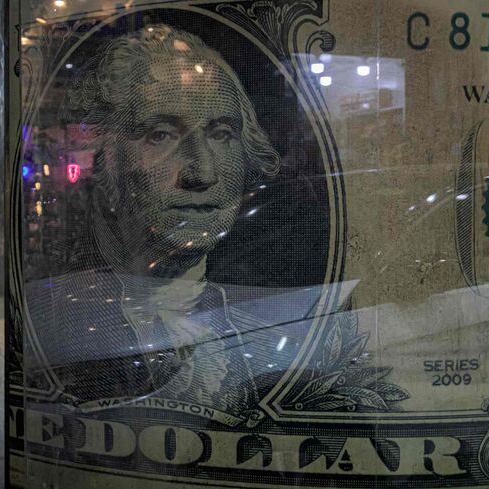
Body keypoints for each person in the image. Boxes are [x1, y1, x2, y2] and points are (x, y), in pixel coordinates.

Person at [23, 24, 320, 422]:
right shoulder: (43, 322)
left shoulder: (278, 336)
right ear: (104, 158)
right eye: (161, 134)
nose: (201, 173)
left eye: (221, 134)